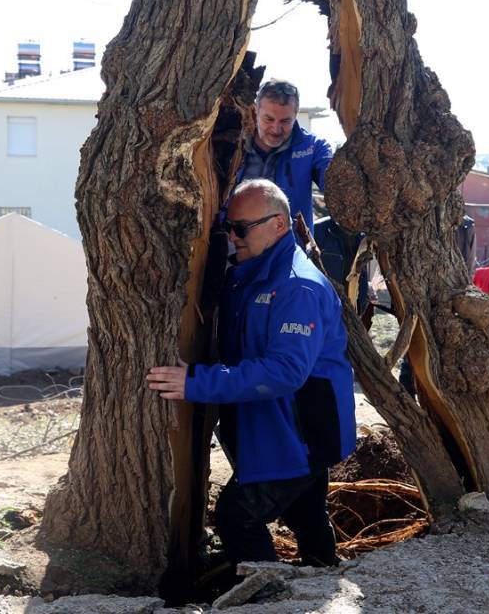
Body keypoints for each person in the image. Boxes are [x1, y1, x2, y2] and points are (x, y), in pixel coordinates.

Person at [146, 179, 356, 567]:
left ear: (278, 225)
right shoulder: (247, 273)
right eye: (228, 226)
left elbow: (285, 372)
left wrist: (194, 382)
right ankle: (322, 573)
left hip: (299, 435)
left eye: (241, 228)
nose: (232, 236)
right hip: (278, 428)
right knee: (304, 512)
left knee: (236, 517)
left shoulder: (297, 288)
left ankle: (266, 596)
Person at [235, 80, 333, 235]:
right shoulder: (232, 144)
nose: (276, 129)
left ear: (296, 115)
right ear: (255, 111)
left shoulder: (313, 148)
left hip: (291, 254)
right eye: (269, 119)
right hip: (235, 251)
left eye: (285, 121)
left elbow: (335, 183)